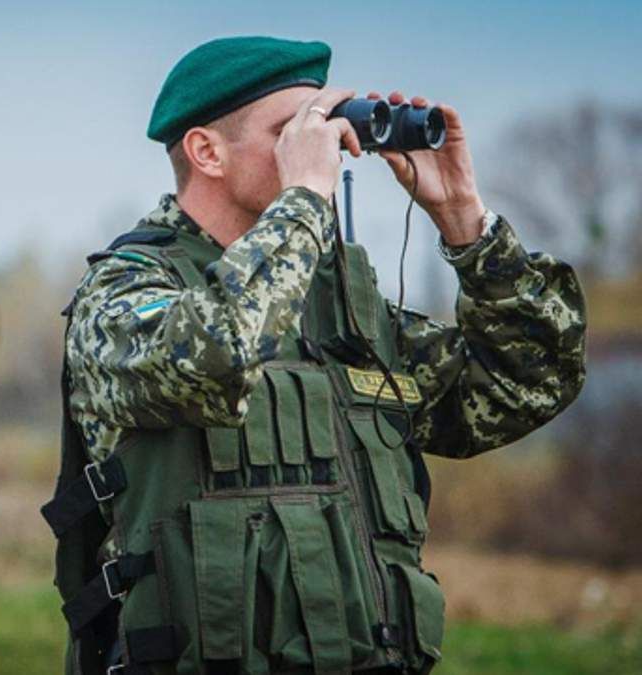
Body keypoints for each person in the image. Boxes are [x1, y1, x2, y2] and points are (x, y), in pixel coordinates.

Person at [42, 36, 586, 674]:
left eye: (323, 127)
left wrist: (464, 220)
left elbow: (531, 382)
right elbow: (217, 358)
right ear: (206, 151)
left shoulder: (339, 308)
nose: (323, 147)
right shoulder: (125, 294)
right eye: (292, 131)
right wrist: (302, 199)